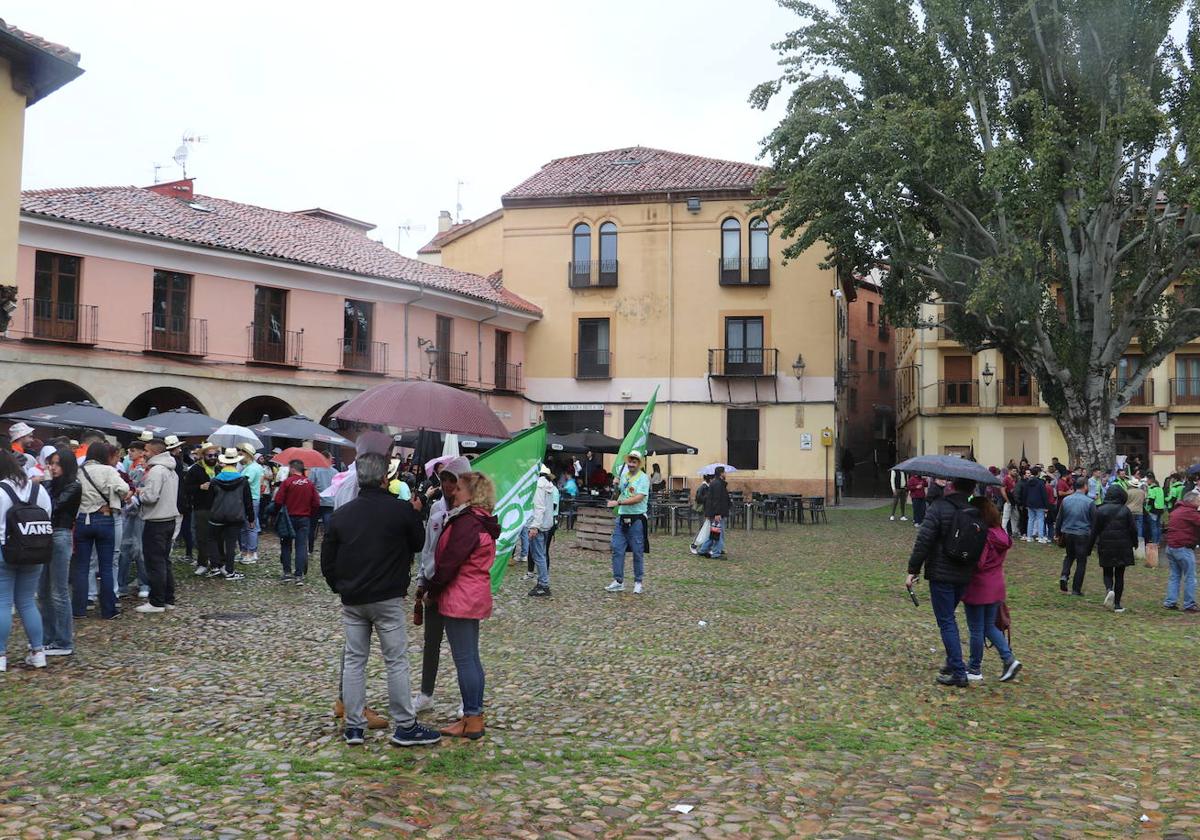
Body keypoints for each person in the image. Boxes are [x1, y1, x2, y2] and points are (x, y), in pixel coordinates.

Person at [321, 452, 439, 747]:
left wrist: (340, 586)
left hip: (353, 598)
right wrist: (414, 513)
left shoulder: (342, 515)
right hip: (387, 596)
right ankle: (405, 725)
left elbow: (327, 561)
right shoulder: (400, 511)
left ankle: (354, 725)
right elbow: (418, 543)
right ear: (385, 478)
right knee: (396, 661)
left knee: (354, 661)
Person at [425, 471, 499, 740]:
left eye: (459, 488)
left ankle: (472, 716)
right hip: (472, 593)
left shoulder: (467, 523)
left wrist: (432, 590)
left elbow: (449, 562)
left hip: (461, 596)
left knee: (465, 659)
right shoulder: (480, 520)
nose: (453, 491)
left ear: (472, 492)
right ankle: (473, 716)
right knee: (471, 658)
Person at [905, 477, 979, 687]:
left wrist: (912, 570)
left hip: (941, 573)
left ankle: (958, 670)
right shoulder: (974, 510)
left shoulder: (938, 508)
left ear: (952, 486)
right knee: (949, 618)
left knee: (946, 620)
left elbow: (924, 541)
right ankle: (951, 661)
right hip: (964, 572)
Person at [412, 455, 471, 717]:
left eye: (452, 480)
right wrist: (422, 581)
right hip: (434, 585)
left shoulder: (471, 514)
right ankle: (426, 694)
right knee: (431, 642)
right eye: (444, 479)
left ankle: (467, 699)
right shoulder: (436, 509)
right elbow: (427, 549)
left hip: (458, 589)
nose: (447, 485)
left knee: (463, 649)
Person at [0, 448, 52, 673]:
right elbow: (48, 515)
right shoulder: (38, 489)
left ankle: (0, 656)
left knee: (2, 602)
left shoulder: (0, 491)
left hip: (4, 551)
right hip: (35, 551)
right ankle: (38, 652)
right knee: (27, 602)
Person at [961, 497, 1022, 683]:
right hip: (996, 585)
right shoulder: (1001, 533)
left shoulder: (984, 535)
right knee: (989, 626)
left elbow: (978, 562)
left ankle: (974, 668)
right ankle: (1008, 659)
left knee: (976, 629)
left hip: (979, 586)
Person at [72, 442, 130, 620]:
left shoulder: (79, 471)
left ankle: (79, 609)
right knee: (105, 566)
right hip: (104, 518)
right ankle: (108, 610)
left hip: (82, 519)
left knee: (82, 566)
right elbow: (125, 488)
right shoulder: (108, 470)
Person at [38, 447, 80, 655]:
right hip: (44, 535)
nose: (52, 468)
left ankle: (64, 641)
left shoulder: (73, 485)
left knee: (59, 591)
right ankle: (48, 637)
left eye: (56, 464)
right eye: (51, 464)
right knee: (43, 591)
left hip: (60, 535)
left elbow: (52, 507)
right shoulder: (53, 484)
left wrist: (45, 482)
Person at [135, 437, 182, 614]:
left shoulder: (156, 471)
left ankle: (157, 601)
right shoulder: (171, 470)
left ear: (154, 452)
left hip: (156, 521)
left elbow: (150, 497)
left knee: (155, 563)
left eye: (146, 450)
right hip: (169, 519)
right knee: (164, 561)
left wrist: (140, 493)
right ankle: (168, 599)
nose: (144, 453)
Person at [604, 451, 651, 592]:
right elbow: (619, 494)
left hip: (637, 519)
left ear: (639, 463)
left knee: (637, 551)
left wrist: (618, 503)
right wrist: (616, 485)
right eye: (630, 462)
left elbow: (639, 498)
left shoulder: (643, 478)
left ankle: (638, 583)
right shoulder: (623, 477)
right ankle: (618, 581)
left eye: (634, 462)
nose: (631, 464)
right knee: (617, 549)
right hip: (621, 518)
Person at [205, 448, 254, 581]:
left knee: (213, 539)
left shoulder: (215, 480)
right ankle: (229, 570)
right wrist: (251, 518)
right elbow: (247, 501)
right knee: (231, 543)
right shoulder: (243, 480)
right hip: (235, 516)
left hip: (217, 516)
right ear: (235, 463)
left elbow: (209, 500)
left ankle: (215, 566)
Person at [1088, 485, 1138, 613]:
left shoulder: (1100, 510)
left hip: (1106, 545)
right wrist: (1135, 543)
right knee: (1120, 575)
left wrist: (1089, 548)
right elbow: (1133, 529)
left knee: (1107, 571)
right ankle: (1117, 604)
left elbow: (1094, 531)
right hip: (1123, 545)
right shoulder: (1125, 510)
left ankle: (1109, 589)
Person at [274, 459, 321, 584]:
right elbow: (316, 503)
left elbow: (278, 500)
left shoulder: (287, 482)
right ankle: (299, 575)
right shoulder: (309, 484)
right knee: (301, 546)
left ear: (293, 469)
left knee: (286, 544)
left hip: (288, 518)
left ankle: (287, 572)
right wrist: (310, 513)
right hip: (304, 518)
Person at [1055, 477, 1095, 595]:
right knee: (1081, 561)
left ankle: (1064, 575)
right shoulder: (1089, 502)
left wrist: (1057, 533)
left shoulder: (1066, 500)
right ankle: (1076, 589)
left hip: (1067, 533)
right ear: (1085, 486)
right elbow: (1094, 521)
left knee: (1069, 556)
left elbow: (1059, 518)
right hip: (1082, 534)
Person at [184, 443, 219, 575]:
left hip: (217, 507)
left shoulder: (219, 469)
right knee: (202, 536)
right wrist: (199, 487)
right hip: (201, 507)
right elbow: (186, 488)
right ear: (203, 456)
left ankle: (216, 562)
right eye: (210, 455)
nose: (213, 457)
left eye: (215, 455)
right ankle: (203, 562)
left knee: (217, 537)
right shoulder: (195, 469)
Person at [1163, 490, 1200, 612]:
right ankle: (1189, 604)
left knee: (1175, 575)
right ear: (1192, 501)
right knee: (1190, 576)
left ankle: (1170, 601)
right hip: (1183, 547)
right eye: (1198, 500)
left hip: (1171, 547)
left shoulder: (1177, 510)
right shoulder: (1190, 512)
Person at [527, 463, 557, 597]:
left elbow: (539, 507)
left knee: (538, 556)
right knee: (542, 555)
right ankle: (542, 583)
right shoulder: (550, 486)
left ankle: (543, 585)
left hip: (539, 525)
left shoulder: (539, 486)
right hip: (547, 525)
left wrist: (534, 526)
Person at [697, 465, 731, 559]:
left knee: (714, 533)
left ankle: (703, 550)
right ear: (721, 474)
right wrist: (717, 513)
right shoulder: (717, 484)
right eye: (724, 472)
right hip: (717, 513)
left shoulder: (717, 483)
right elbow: (716, 500)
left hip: (716, 512)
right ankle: (716, 553)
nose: (725, 474)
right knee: (718, 533)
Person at [237, 443, 264, 565]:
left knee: (250, 526)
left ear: (247, 454)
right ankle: (244, 551)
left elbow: (244, 483)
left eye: (241, 454)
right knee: (244, 527)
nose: (239, 456)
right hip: (248, 499)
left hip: (251, 500)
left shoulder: (252, 468)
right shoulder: (250, 467)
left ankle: (251, 553)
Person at [1021, 467, 1049, 543]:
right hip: (1039, 503)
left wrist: (1025, 503)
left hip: (1029, 503)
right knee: (1040, 520)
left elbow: (1025, 493)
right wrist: (1047, 505)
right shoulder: (1041, 482)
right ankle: (1040, 537)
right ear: (1038, 473)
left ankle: (1029, 537)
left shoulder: (1027, 482)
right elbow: (1044, 494)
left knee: (1030, 520)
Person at [689, 474, 712, 554]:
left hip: (705, 510)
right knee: (702, 528)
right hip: (702, 510)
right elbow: (698, 498)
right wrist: (707, 497)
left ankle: (705, 547)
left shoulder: (706, 487)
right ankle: (693, 545)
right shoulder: (703, 487)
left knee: (705, 529)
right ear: (709, 479)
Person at [1000, 467, 1018, 536]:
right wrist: (1007, 500)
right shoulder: (1006, 479)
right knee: (1006, 517)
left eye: (1016, 471)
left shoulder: (1015, 479)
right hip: (1008, 500)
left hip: (1014, 500)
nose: (1015, 472)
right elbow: (1002, 490)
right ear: (1009, 471)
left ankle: (1014, 531)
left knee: (1015, 516)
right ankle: (1004, 531)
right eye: (1013, 471)